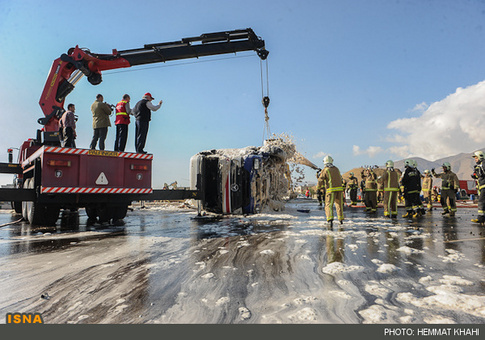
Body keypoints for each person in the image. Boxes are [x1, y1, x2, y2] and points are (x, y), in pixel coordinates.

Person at [317, 156, 344, 228]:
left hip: (331, 190)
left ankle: (330, 220)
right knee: (339, 205)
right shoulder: (336, 169)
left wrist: (318, 188)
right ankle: (340, 220)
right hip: (339, 190)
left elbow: (321, 180)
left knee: (328, 205)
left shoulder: (325, 170)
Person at [471, 151, 485, 224]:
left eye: (476, 158)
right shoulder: (479, 166)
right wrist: (475, 175)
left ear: (480, 157)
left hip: (484, 186)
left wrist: (479, 171)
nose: (475, 159)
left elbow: (482, 174)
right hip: (481, 186)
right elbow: (480, 176)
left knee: (481, 202)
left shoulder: (484, 164)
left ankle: (481, 218)